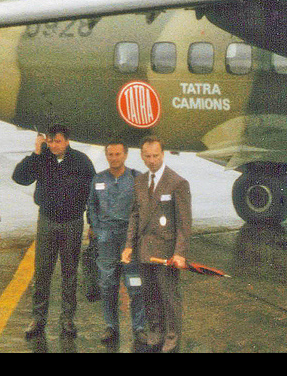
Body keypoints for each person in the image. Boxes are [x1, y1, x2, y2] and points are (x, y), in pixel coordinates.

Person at [12, 124, 95, 339]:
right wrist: (36, 152)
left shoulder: (81, 161)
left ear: (67, 141)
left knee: (69, 272)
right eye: (50, 141)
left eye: (57, 141)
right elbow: (19, 177)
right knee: (42, 272)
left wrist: (92, 222)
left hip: (72, 222)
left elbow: (92, 193)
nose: (53, 145)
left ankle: (67, 319)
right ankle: (38, 319)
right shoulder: (42, 158)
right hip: (47, 221)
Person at [121, 137, 192, 353]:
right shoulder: (140, 181)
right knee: (149, 293)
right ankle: (156, 331)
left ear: (163, 154)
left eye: (156, 156)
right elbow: (135, 214)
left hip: (166, 252)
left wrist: (180, 253)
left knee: (169, 297)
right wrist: (129, 245)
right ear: (142, 156)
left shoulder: (177, 182)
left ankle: (171, 337)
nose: (152, 160)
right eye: (147, 156)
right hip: (144, 251)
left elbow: (184, 223)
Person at [87, 141, 146, 346]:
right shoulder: (99, 179)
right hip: (106, 240)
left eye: (117, 154)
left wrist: (137, 234)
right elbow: (91, 205)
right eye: (110, 154)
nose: (114, 158)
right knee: (108, 284)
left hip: (129, 239)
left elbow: (144, 207)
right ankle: (111, 326)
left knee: (135, 283)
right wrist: (97, 228)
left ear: (126, 154)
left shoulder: (136, 178)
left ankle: (139, 328)